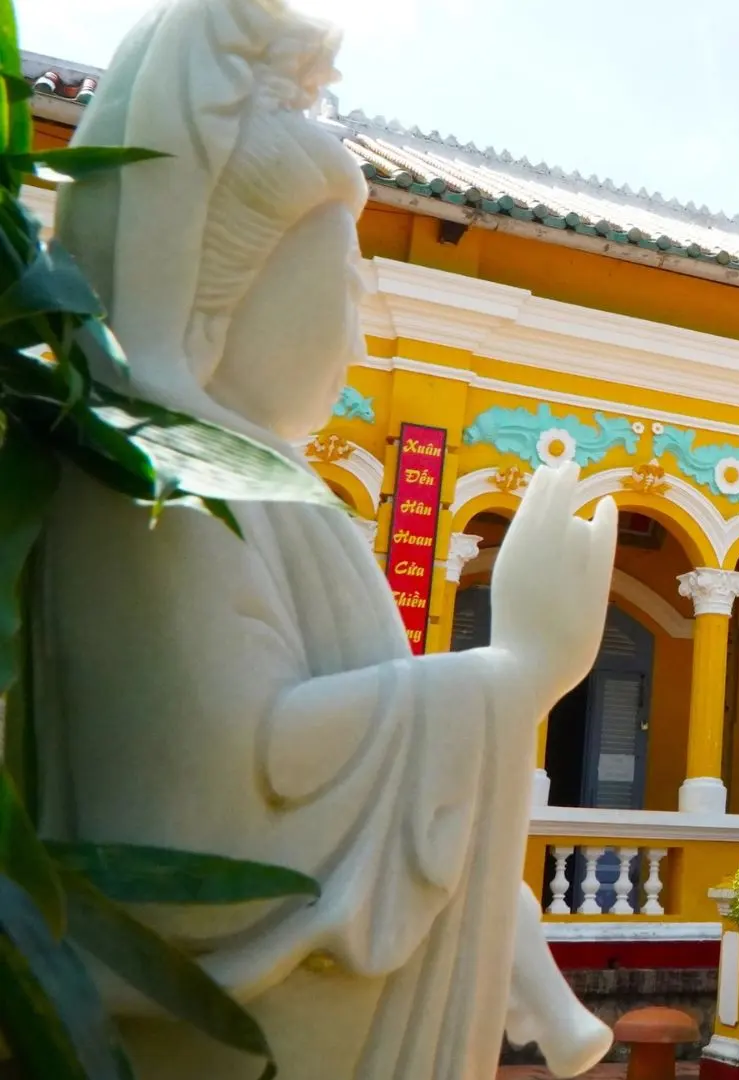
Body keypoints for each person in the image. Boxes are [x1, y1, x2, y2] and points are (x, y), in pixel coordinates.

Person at [38, 1, 615, 1076]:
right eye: (342, 278)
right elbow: (208, 805)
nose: (357, 321)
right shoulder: (158, 486)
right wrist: (515, 672)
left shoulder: (261, 489)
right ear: (225, 290)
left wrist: (490, 696)